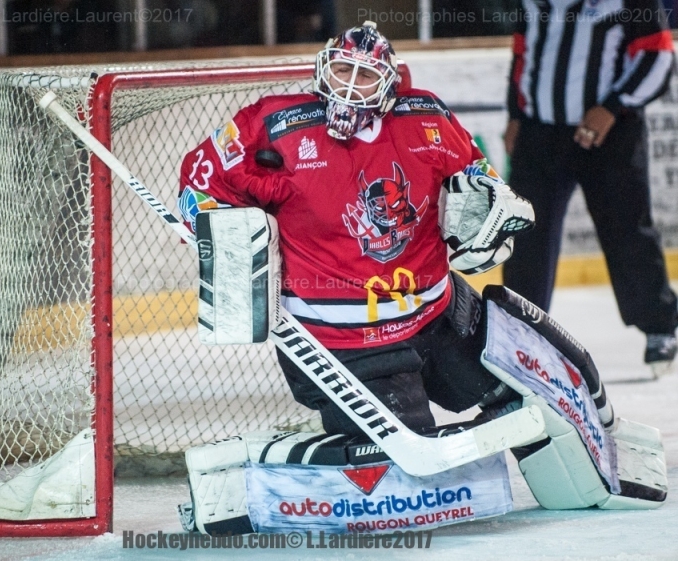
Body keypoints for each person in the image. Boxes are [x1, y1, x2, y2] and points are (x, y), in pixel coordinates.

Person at [178, 21, 535, 438]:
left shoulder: (426, 117)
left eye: (364, 75)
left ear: (390, 83)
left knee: (523, 393)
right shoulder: (275, 125)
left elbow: (478, 176)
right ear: (323, 69)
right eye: (341, 70)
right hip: (340, 339)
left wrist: (488, 210)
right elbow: (198, 182)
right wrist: (226, 244)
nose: (349, 86)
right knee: (403, 453)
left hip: (437, 315)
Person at [502, 0, 678, 375]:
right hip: (539, 132)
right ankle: (519, 333)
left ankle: (659, 326)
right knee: (525, 233)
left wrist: (612, 108)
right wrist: (516, 114)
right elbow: (523, 51)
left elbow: (658, 57)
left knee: (627, 229)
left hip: (609, 134)